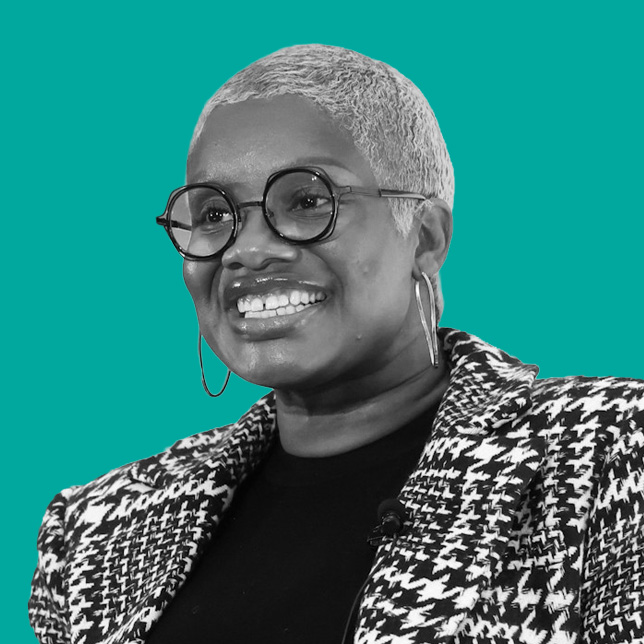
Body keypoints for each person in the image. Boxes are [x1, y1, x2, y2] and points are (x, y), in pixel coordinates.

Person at [29, 44, 644, 644]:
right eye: (214, 214)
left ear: (425, 237)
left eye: (307, 201)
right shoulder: (95, 532)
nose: (247, 250)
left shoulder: (609, 454)